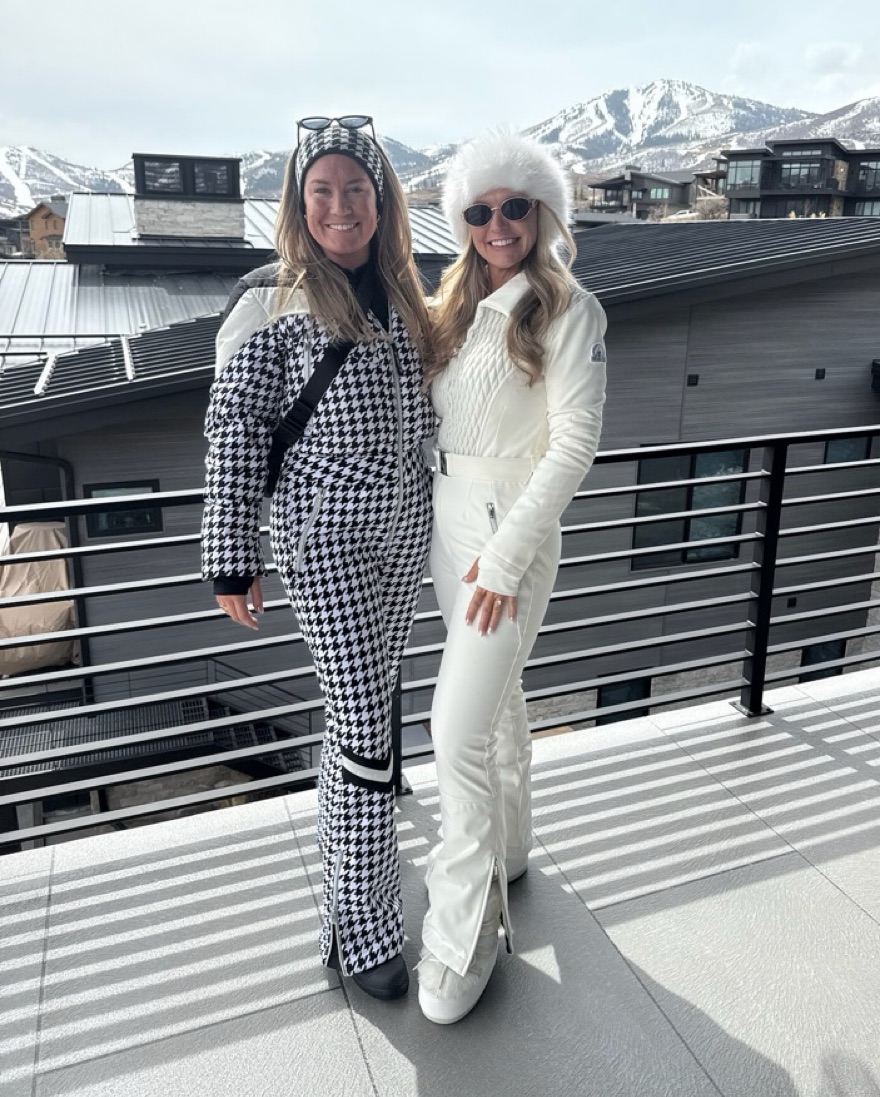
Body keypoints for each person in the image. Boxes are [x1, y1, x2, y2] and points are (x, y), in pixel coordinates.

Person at [201, 116, 435, 1001]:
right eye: (322, 191)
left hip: (404, 533)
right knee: (367, 722)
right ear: (300, 205)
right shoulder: (271, 300)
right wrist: (232, 554)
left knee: (358, 716)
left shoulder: (408, 293)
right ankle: (363, 930)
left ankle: (349, 882)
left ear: (382, 200)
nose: (341, 206)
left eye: (357, 189)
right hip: (323, 537)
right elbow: (236, 427)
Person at [417, 131, 607, 1024]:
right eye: (480, 210)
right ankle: (514, 845)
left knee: (454, 731)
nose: (498, 224)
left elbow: (574, 445)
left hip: (506, 535)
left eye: (515, 206)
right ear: (463, 220)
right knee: (497, 708)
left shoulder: (568, 309)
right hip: (446, 522)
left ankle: (466, 931)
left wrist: (503, 556)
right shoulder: (453, 308)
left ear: (543, 212)